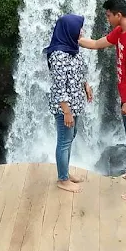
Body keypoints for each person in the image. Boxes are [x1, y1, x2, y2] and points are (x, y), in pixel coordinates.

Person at [78, 0, 126, 201]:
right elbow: (97, 43)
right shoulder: (120, 31)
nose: (107, 19)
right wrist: (76, 39)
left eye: (109, 15)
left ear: (119, 15)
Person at [44, 14, 93, 193]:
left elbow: (78, 72)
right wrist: (66, 112)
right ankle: (62, 179)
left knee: (70, 137)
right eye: (79, 28)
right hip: (65, 107)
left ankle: (65, 172)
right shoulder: (57, 55)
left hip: (75, 103)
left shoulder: (72, 48)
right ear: (69, 30)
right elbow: (58, 87)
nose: (81, 31)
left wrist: (86, 84)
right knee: (64, 140)